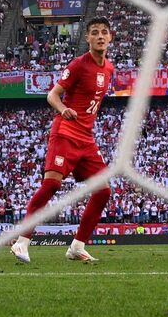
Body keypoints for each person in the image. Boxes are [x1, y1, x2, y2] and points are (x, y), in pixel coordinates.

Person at [12, 17, 115, 265]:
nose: (100, 36)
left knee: (103, 191)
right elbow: (52, 94)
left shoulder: (109, 68)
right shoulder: (79, 64)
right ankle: (21, 241)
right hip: (66, 132)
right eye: (95, 33)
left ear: (110, 37)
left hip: (86, 139)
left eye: (104, 32)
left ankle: (77, 247)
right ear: (87, 38)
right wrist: (62, 109)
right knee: (52, 186)